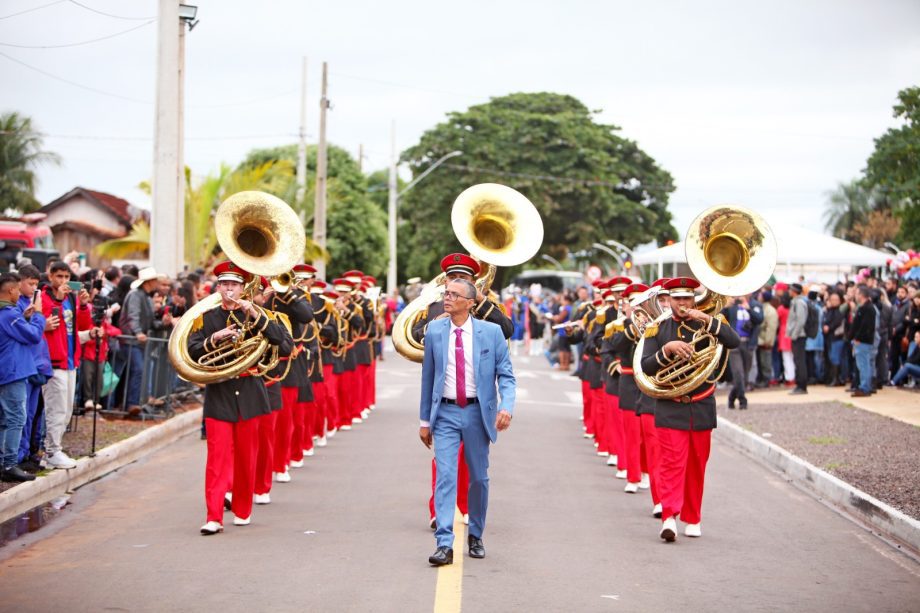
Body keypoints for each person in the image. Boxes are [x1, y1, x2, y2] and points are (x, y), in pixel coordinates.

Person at [188, 261, 292, 535]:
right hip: (219, 393)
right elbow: (192, 350)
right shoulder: (206, 317)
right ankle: (213, 517)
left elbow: (282, 342)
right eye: (224, 284)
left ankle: (243, 509)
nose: (228, 289)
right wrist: (214, 339)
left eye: (233, 284)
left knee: (247, 458)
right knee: (217, 459)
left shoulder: (257, 314)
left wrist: (254, 313)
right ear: (218, 288)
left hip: (250, 394)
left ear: (243, 288)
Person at [420, 278, 516, 566]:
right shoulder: (435, 330)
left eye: (454, 295)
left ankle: (475, 534)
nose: (447, 298)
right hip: (445, 414)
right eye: (446, 293)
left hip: (477, 413)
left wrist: (506, 407)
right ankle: (444, 543)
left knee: (478, 478)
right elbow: (428, 378)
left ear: (470, 303)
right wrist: (425, 420)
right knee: (446, 476)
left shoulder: (492, 332)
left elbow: (507, 376)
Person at [640, 277, 740, 542]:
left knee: (697, 465)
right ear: (669, 300)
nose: (682, 303)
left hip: (702, 404)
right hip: (670, 405)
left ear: (694, 299)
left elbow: (734, 341)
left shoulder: (709, 322)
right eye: (677, 299)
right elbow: (647, 366)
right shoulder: (656, 328)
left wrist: (707, 320)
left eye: (687, 298)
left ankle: (693, 518)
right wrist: (667, 349)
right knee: (672, 464)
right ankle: (669, 517)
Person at [41, 261, 94, 470]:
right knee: (56, 409)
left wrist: (82, 305)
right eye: (59, 276)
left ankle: (54, 449)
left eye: (66, 277)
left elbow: (80, 326)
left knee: (67, 411)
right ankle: (51, 451)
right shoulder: (44, 296)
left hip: (71, 360)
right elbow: (47, 321)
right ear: (50, 275)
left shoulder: (71, 298)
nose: (63, 281)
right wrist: (58, 299)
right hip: (54, 362)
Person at [0, 273, 46, 482]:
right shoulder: (8, 314)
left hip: (8, 371)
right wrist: (37, 316)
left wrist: (26, 318)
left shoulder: (8, 314)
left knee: (4, 419)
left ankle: (4, 462)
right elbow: (34, 336)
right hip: (12, 372)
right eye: (17, 289)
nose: (20, 293)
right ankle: (9, 464)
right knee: (16, 418)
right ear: (10, 290)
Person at [14, 265, 52, 473]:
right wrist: (36, 316)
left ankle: (28, 451)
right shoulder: (16, 306)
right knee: (22, 415)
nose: (33, 288)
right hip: (25, 367)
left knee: (32, 413)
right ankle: (19, 456)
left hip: (37, 365)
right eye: (30, 283)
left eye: (36, 284)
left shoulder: (29, 303)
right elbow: (32, 334)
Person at [118, 267, 158, 415]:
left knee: (138, 371)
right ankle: (131, 403)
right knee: (138, 370)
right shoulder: (135, 295)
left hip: (138, 342)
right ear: (149, 282)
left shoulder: (146, 297)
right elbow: (133, 316)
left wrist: (164, 322)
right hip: (131, 340)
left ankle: (134, 402)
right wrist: (138, 332)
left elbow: (151, 321)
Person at [722, 294, 763, 409]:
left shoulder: (755, 305)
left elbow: (759, 319)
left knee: (744, 376)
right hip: (735, 343)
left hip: (748, 343)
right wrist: (725, 307)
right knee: (738, 373)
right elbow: (720, 318)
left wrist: (749, 309)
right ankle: (742, 400)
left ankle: (731, 397)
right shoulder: (732, 305)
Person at [848, 287, 876, 398]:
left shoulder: (868, 308)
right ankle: (865, 386)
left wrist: (857, 337)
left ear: (861, 295)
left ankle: (865, 387)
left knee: (864, 365)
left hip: (863, 341)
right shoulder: (865, 307)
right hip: (862, 340)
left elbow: (865, 326)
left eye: (857, 293)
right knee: (864, 365)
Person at [786, 283, 809, 394]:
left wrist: (794, 334)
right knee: (798, 360)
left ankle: (801, 385)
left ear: (794, 291)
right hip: (798, 335)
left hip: (799, 336)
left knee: (800, 361)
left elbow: (800, 320)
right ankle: (800, 385)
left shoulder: (799, 303)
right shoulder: (797, 301)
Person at [756, 290, 778, 387]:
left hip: (765, 340)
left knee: (766, 361)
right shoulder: (762, 308)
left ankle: (766, 379)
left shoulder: (770, 310)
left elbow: (771, 328)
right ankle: (762, 379)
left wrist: (768, 341)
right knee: (761, 361)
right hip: (760, 339)